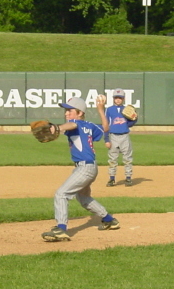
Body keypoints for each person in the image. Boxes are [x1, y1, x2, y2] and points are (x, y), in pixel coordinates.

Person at [41, 96, 120, 242]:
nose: (66, 113)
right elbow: (106, 128)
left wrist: (58, 128)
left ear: (80, 113)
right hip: (90, 167)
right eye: (65, 110)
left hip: (85, 168)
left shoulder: (74, 123)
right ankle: (109, 220)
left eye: (69, 110)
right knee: (83, 198)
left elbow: (72, 126)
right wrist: (101, 110)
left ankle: (61, 229)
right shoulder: (89, 125)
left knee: (61, 194)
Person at [104, 88, 138, 187]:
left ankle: (128, 178)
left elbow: (129, 124)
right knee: (112, 159)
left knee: (127, 158)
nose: (118, 100)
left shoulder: (126, 109)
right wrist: (106, 139)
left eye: (120, 98)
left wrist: (135, 119)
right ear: (113, 99)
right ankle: (112, 178)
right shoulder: (109, 110)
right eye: (116, 98)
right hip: (113, 136)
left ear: (123, 99)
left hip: (125, 136)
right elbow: (106, 125)